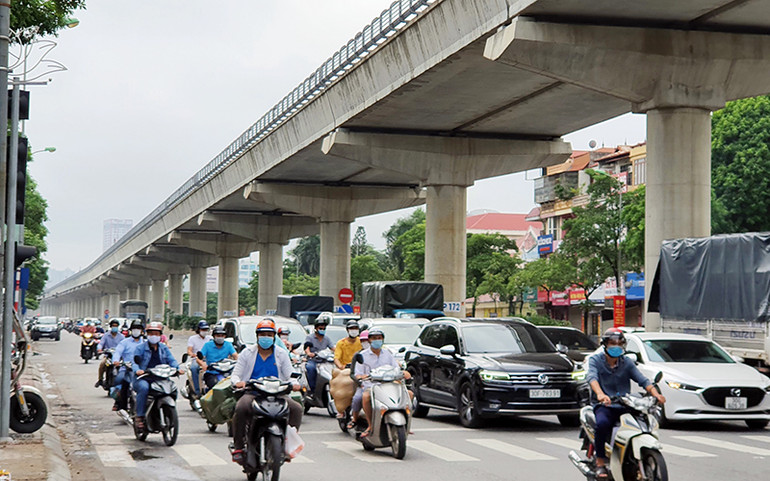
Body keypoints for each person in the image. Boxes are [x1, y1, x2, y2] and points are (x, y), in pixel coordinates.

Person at [586, 328, 666, 480]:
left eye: (619, 343)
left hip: (625, 404)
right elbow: (592, 378)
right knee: (602, 424)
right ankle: (600, 461)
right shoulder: (595, 360)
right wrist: (600, 394)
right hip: (606, 405)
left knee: (643, 422)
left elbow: (642, 380)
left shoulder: (627, 362)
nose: (616, 346)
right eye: (612, 343)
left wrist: (656, 394)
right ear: (605, 345)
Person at [230, 320, 302, 465]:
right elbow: (235, 375)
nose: (266, 337)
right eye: (263, 334)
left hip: (278, 394)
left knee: (296, 409)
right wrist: (238, 382)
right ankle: (238, 447)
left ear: (274, 336)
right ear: (257, 336)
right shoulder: (247, 352)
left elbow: (290, 375)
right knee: (241, 407)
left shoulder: (281, 353)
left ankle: (287, 444)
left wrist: (295, 384)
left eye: (269, 334)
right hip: (253, 393)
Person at [353, 328, 411, 437]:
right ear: (369, 340)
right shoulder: (363, 355)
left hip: (388, 385)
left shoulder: (387, 354)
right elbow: (358, 373)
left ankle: (406, 425)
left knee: (410, 395)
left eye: (379, 338)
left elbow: (395, 368)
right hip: (371, 385)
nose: (377, 341)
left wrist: (403, 372)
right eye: (374, 338)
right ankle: (370, 425)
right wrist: (362, 376)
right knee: (365, 397)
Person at [132, 322, 183, 430]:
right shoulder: (140, 348)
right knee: (144, 388)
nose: (153, 336)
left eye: (156, 333)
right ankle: (140, 416)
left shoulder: (163, 348)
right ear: (147, 334)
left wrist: (177, 369)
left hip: (160, 377)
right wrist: (138, 370)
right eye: (151, 333)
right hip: (144, 377)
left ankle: (169, 413)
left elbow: (171, 360)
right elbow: (134, 362)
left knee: (172, 388)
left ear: (160, 335)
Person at [112, 320, 145, 411]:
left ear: (142, 331)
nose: (136, 331)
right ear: (131, 330)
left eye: (138, 328)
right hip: (126, 369)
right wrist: (116, 360)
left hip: (141, 370)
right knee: (122, 382)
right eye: (134, 328)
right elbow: (118, 352)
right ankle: (121, 405)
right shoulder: (124, 342)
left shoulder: (145, 343)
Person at [198, 325, 238, 391]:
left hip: (226, 371)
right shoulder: (207, 345)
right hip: (212, 372)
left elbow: (236, 356)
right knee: (214, 385)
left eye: (222, 335)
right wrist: (203, 364)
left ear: (225, 336)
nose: (220, 337)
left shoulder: (228, 344)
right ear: (214, 336)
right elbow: (199, 358)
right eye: (218, 335)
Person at [303, 318, 335, 392]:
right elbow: (306, 347)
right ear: (316, 328)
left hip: (324, 360)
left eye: (324, 328)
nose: (322, 330)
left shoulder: (327, 338)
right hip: (313, 360)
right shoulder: (310, 337)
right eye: (320, 328)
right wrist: (309, 353)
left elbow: (333, 348)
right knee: (310, 368)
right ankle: (312, 389)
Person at [94, 319, 125, 388]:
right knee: (102, 364)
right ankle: (100, 380)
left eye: (116, 326)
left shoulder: (122, 337)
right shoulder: (106, 335)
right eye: (113, 326)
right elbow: (101, 344)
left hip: (119, 357)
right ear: (111, 327)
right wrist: (99, 349)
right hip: (108, 356)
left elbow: (125, 345)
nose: (115, 327)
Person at [187, 320, 212, 396]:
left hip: (208, 358)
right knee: (194, 368)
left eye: (206, 330)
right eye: (203, 329)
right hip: (197, 358)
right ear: (198, 329)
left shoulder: (210, 338)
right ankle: (197, 391)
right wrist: (193, 354)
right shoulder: (192, 339)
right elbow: (189, 350)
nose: (205, 331)